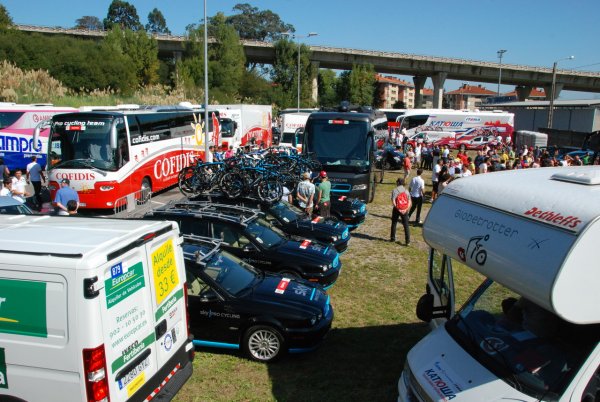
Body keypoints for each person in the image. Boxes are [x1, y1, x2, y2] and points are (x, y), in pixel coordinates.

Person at [390, 178, 411, 245]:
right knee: (406, 225)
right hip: (404, 209)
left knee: (394, 223)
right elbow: (410, 202)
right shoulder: (406, 191)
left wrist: (398, 208)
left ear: (398, 183)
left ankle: (392, 238)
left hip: (396, 209)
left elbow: (393, 201)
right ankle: (407, 241)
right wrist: (405, 209)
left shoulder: (395, 190)